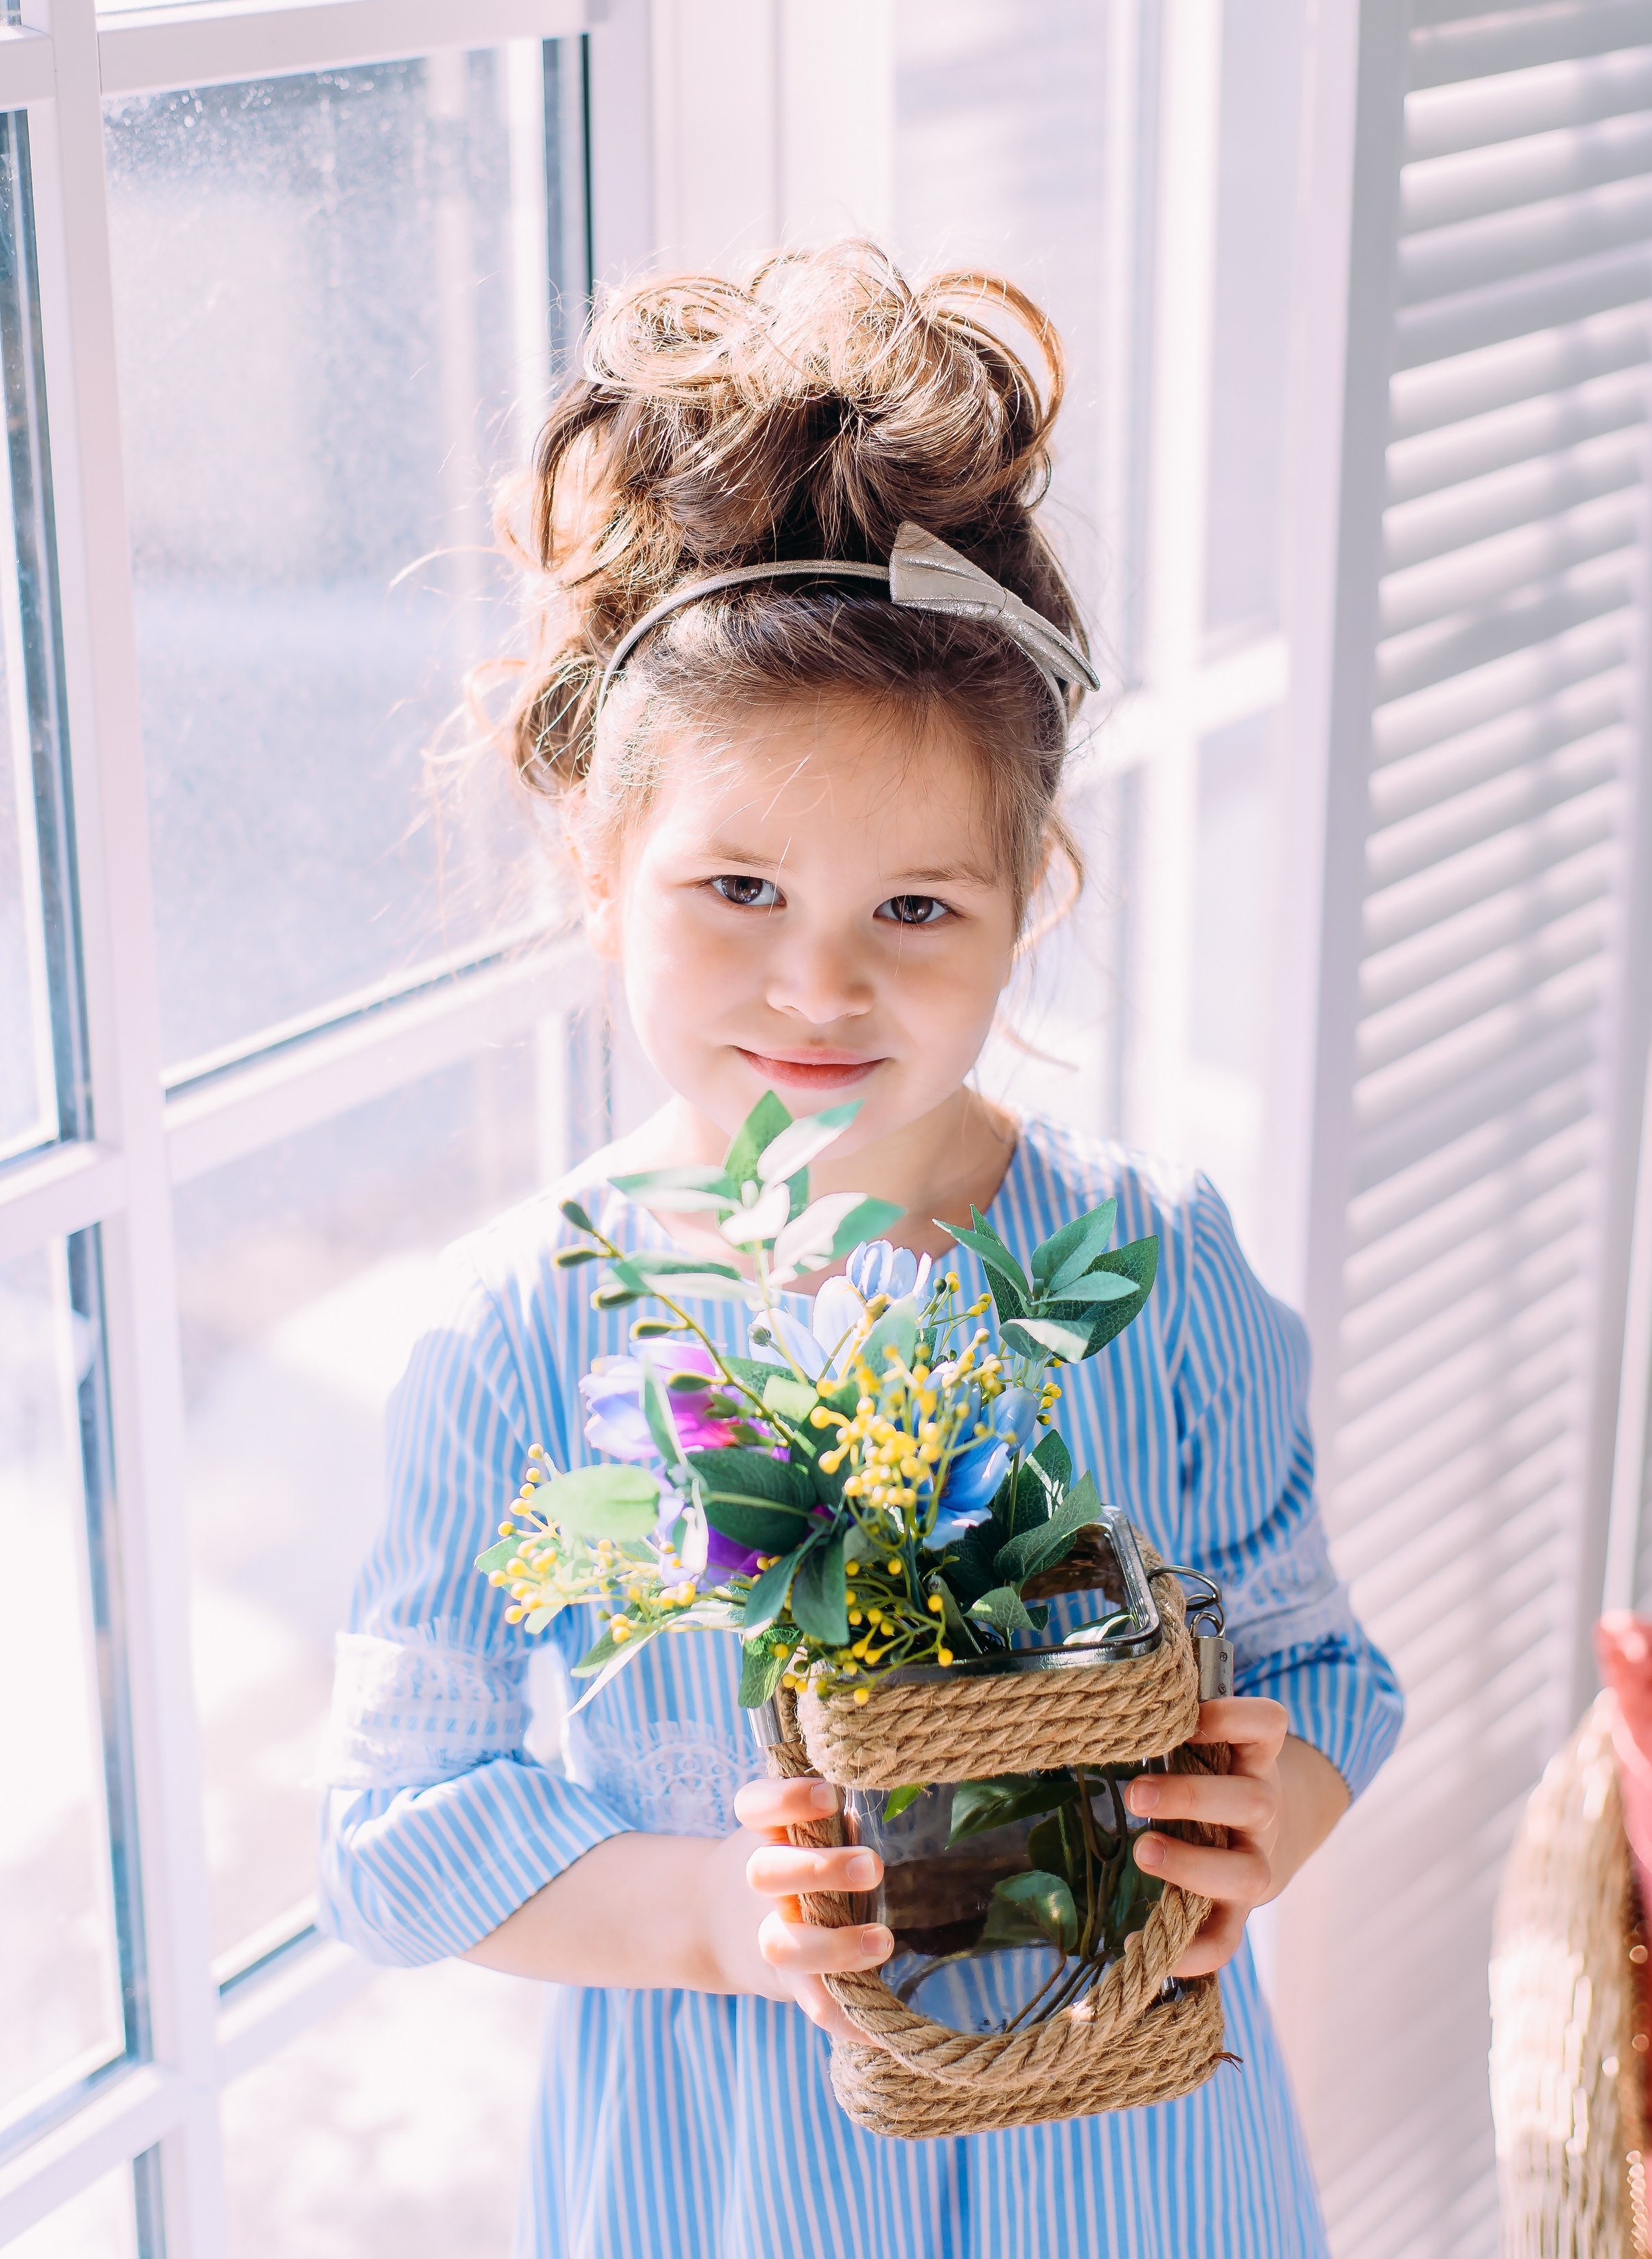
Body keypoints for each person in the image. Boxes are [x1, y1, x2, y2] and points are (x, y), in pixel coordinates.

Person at [317, 242, 1403, 2258]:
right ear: (599, 862)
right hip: (738, 2188)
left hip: (1144, 2181)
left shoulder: (1152, 1269)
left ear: (1027, 895)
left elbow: (1321, 1648)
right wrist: (707, 1917)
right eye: (737, 885)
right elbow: (395, 1830)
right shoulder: (524, 1339)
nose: (816, 986)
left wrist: (1285, 1797)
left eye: (917, 910)